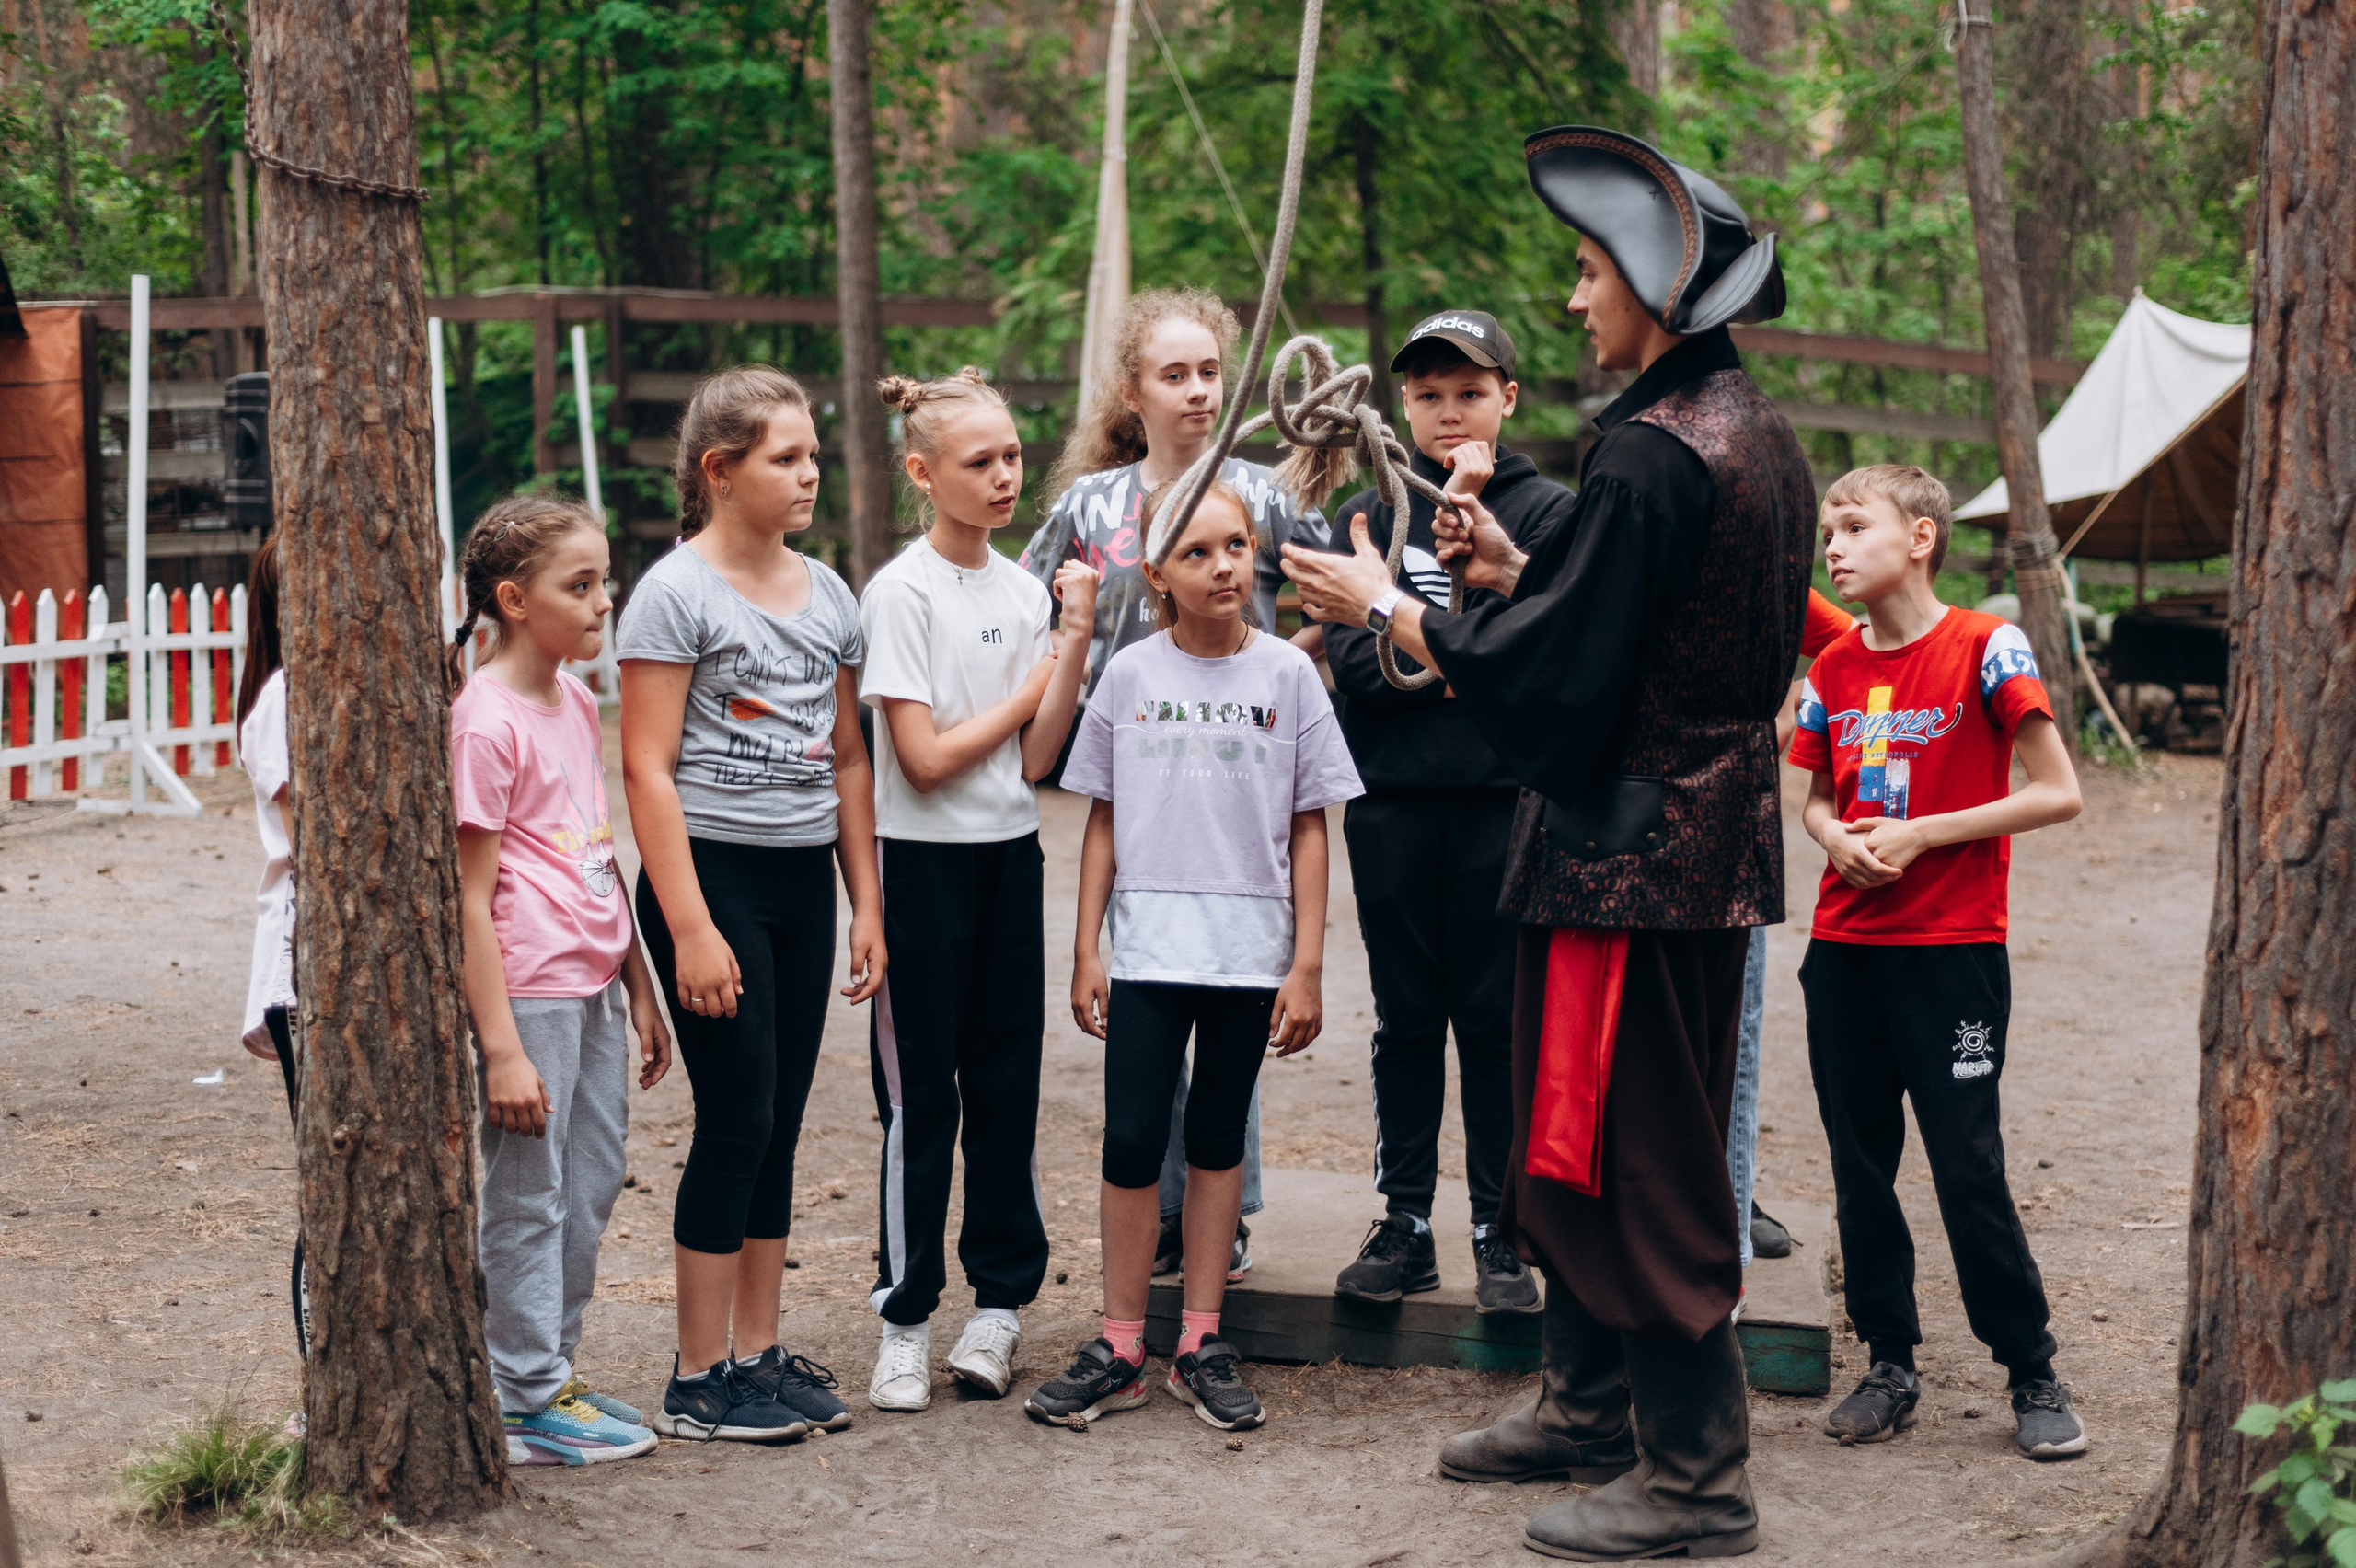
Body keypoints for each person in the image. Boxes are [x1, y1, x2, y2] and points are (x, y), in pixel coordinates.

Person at [1286, 126, 1811, 1560]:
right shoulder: (1744, 428)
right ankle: (1587, 1407)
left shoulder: (1648, 454)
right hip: (1684, 840)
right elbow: (1649, 628)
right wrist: (1521, 574)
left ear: (1652, 286)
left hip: (1628, 855)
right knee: (1569, 1140)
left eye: (1590, 273)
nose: (1576, 299)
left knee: (1637, 1152)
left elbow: (1572, 684)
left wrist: (1386, 610)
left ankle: (1695, 1482)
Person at [1025, 478, 1360, 1433]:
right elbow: (1102, 820)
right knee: (1131, 1144)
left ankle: (1200, 1341)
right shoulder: (1130, 675)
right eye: (1201, 553)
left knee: (1216, 1144)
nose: (1226, 566)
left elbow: (1309, 828)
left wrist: (1306, 965)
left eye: (1238, 545)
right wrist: (1086, 950)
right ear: (1158, 575)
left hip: (1247, 958)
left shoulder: (1287, 678)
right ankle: (1121, 1344)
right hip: (1149, 952)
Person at [1020, 285, 1331, 1282]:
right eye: (1175, 375)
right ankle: (1154, 1217)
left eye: (1211, 373)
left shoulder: (1263, 494)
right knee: (1147, 998)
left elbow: (1336, 587)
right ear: (1132, 390)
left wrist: (1289, 664)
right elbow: (1027, 606)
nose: (1198, 392)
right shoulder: (1090, 505)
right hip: (1131, 777)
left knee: (1232, 984)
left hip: (1237, 773)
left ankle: (1220, 1212)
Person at [1791, 464, 2088, 1460]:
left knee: (1965, 1161)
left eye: (1851, 525)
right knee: (1858, 1163)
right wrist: (1835, 838)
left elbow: (2056, 792)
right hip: (1843, 953)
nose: (1831, 546)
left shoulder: (1986, 645)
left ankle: (2031, 1370)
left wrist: (1921, 836)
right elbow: (1815, 798)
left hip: (1953, 954)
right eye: (1825, 530)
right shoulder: (1830, 671)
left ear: (1920, 536)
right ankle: (1888, 1361)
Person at [619, 366, 881, 1444]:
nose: (810, 471)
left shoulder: (830, 596)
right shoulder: (673, 595)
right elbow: (645, 769)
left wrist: (865, 904)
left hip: (799, 879)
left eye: (813, 452)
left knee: (775, 1123)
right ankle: (695, 1378)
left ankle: (760, 1358)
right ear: (720, 472)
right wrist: (687, 926)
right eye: (786, 456)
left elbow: (851, 760)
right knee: (735, 1119)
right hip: (709, 877)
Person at [1318, 307, 1572, 1315]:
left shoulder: (1548, 516)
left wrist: (1404, 627)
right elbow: (1354, 667)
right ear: (1402, 407)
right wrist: (1455, 657)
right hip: (1390, 806)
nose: (1448, 413)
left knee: (1500, 1024)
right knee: (1406, 1020)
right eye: (1426, 395)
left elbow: (1537, 665)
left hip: (1506, 807)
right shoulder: (1366, 510)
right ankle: (1407, 1221)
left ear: (1508, 397)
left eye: (1470, 392)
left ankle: (1499, 1231)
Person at [860, 368, 1099, 1412]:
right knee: (923, 1098)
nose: (1005, 476)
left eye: (1012, 456)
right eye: (980, 462)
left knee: (1006, 1083)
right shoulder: (898, 592)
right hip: (919, 867)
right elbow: (921, 759)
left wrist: (1071, 644)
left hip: (1008, 858)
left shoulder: (1022, 590)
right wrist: (1032, 684)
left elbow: (1036, 761)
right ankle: (904, 1319)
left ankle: (998, 1307)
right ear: (923, 473)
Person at [447, 493, 673, 1466]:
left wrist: (639, 983)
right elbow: (468, 895)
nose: (602, 604)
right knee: (529, 1193)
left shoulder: (578, 700)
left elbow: (596, 847)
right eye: (578, 586)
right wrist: (500, 1047)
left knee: (587, 1184)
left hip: (591, 980)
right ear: (513, 599)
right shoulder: (483, 720)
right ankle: (521, 1390)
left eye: (603, 582)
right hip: (529, 990)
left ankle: (551, 1372)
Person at [1734, 587, 1858, 1272]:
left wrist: (1788, 709)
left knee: (1731, 1030)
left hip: (1729, 825)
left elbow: (1860, 644)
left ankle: (1731, 1190)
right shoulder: (1626, 524)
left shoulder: (1766, 559)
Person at [234, 535, 307, 1362]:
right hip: (305, 965)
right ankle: (325, 1374)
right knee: (337, 1176)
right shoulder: (284, 700)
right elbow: (318, 832)